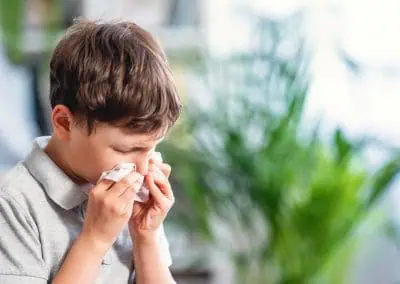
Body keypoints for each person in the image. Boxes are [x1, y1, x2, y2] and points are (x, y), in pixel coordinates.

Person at [0, 19, 181, 284]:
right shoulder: (14, 205)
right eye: (124, 149)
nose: (143, 169)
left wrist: (146, 236)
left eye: (153, 148)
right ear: (63, 122)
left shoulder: (132, 196)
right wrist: (94, 240)